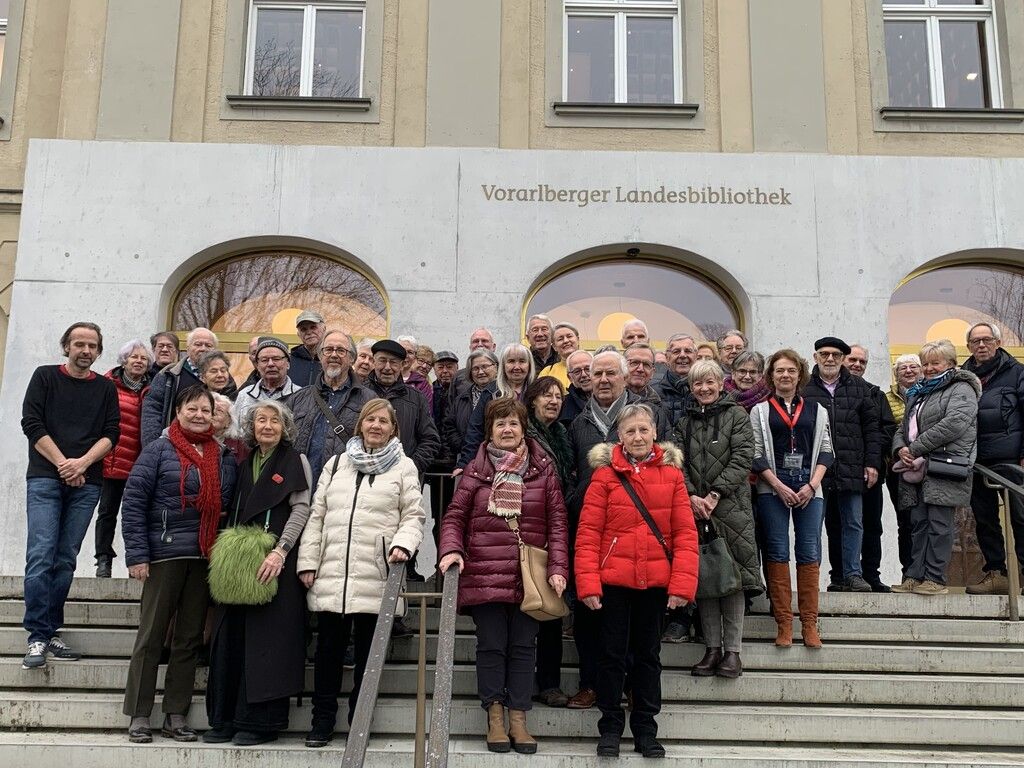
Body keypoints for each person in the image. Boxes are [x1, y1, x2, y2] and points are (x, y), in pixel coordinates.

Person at [439, 398, 568, 754]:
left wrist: (558, 568)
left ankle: (519, 719)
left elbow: (557, 524)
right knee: (493, 647)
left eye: (513, 423)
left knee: (525, 649)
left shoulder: (543, 471)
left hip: (530, 577)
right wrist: (451, 549)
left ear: (523, 428)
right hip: (483, 573)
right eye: (500, 424)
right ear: (489, 430)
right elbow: (454, 518)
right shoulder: (474, 472)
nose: (507, 430)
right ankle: (495, 718)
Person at [298, 399, 425, 747]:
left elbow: (413, 515)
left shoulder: (404, 467)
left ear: (393, 429)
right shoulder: (337, 464)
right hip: (333, 571)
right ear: (361, 424)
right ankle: (322, 721)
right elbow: (316, 514)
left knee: (370, 655)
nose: (376, 426)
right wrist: (308, 561)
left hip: (377, 573)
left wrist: (403, 544)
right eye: (371, 419)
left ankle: (360, 720)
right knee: (328, 654)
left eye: (384, 421)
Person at [575, 403, 698, 758]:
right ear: (620, 436)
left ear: (655, 432)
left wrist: (681, 586)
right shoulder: (604, 476)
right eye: (630, 431)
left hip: (656, 583)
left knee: (648, 657)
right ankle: (610, 727)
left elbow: (685, 535)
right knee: (611, 656)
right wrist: (587, 583)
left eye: (644, 429)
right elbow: (588, 534)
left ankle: (646, 729)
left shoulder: (672, 475)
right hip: (613, 582)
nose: (638, 436)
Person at [120, 385, 237, 743]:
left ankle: (175, 714)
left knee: (188, 639)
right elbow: (134, 502)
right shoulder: (159, 449)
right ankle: (139, 715)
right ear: (179, 411)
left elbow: (229, 507)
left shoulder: (223, 456)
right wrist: (138, 555)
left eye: (206, 410)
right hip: (164, 555)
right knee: (152, 636)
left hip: (204, 558)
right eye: (193, 409)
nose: (199, 415)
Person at [204, 401, 312, 746]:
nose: (267, 426)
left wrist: (281, 550)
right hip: (239, 566)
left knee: (267, 642)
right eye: (260, 420)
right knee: (229, 638)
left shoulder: (296, 461)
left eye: (274, 421)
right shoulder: (243, 461)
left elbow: (301, 508)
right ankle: (223, 718)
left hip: (275, 561)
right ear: (251, 427)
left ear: (285, 427)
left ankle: (260, 723)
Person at [564, 350, 661, 709]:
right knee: (590, 614)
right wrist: (579, 499)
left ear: (624, 377)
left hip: (636, 533)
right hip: (590, 530)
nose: (603, 380)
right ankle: (591, 682)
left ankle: (635, 684)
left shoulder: (644, 416)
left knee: (636, 621)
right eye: (597, 374)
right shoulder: (577, 423)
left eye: (610, 374)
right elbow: (569, 472)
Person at [20, 322, 120, 669]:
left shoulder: (106, 388)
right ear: (66, 347)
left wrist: (82, 464)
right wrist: (65, 464)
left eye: (92, 345)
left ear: (99, 351)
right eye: (79, 344)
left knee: (65, 558)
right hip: (46, 477)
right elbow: (31, 424)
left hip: (87, 481)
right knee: (41, 554)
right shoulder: (45, 377)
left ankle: (50, 630)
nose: (86, 351)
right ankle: (36, 636)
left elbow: (111, 434)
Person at [673, 360, 761, 678]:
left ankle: (732, 653)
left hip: (731, 509)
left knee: (733, 580)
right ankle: (711, 650)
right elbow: (675, 461)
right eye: (698, 384)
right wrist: (691, 496)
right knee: (706, 578)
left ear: (721, 384)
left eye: (709, 382)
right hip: (694, 510)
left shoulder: (737, 415)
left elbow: (743, 457)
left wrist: (714, 494)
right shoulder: (683, 423)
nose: (704, 388)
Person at [751, 350, 833, 649]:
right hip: (772, 490)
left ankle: (809, 624)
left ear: (800, 375)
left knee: (809, 550)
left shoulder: (818, 409)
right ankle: (784, 623)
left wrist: (812, 485)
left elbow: (826, 450)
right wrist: (777, 485)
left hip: (810, 490)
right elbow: (756, 453)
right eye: (779, 371)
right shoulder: (759, 411)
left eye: (791, 371)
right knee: (777, 550)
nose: (785, 375)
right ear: (771, 376)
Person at [891, 340, 981, 596]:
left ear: (951, 364)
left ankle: (936, 579)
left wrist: (915, 448)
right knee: (918, 523)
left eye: (935, 363)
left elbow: (955, 423)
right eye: (926, 363)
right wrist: (900, 449)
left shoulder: (961, 388)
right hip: (917, 467)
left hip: (944, 465)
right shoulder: (919, 392)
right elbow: (902, 428)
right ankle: (914, 575)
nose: (929, 368)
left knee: (940, 524)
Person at [801, 336, 882, 593]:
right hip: (815, 471)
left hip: (851, 466)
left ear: (842, 359)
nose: (830, 359)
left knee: (853, 523)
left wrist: (872, 463)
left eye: (836, 355)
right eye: (824, 354)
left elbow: (872, 429)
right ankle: (816, 576)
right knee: (816, 526)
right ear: (815, 357)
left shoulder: (860, 388)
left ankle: (852, 574)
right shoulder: (804, 388)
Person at [523, 376, 574, 708]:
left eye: (558, 396)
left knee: (552, 609)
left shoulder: (562, 435)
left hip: (558, 526)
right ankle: (526, 682)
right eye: (547, 396)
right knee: (529, 610)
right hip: (529, 530)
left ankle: (550, 683)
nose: (554, 401)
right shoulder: (524, 437)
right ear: (533, 401)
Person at [962, 323, 1024, 595]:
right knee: (984, 519)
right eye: (975, 341)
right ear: (968, 347)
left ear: (998, 343)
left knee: (1021, 518)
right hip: (976, 461)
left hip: (1011, 460)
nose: (981, 345)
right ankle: (996, 573)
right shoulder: (962, 377)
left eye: (987, 340)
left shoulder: (1017, 373)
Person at [95, 340, 154, 578]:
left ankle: (136, 563)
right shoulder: (108, 385)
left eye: (143, 358)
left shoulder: (152, 388)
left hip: (141, 463)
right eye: (134, 357)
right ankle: (103, 560)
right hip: (113, 459)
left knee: (137, 516)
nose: (139, 361)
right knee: (107, 512)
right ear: (124, 360)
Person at [845, 344, 898, 592]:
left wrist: (872, 461)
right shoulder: (828, 391)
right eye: (852, 359)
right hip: (840, 471)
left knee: (872, 525)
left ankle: (871, 575)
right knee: (841, 525)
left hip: (871, 473)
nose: (857, 365)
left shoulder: (875, 394)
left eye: (862, 362)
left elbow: (886, 430)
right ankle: (842, 575)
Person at [289, 330, 373, 484]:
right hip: (300, 489)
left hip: (343, 491)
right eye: (328, 349)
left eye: (341, 350)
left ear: (351, 358)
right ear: (320, 357)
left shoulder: (369, 400)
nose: (334, 355)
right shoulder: (299, 398)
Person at [456, 343, 536, 469]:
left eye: (522, 361)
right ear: (503, 366)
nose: (516, 367)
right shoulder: (490, 392)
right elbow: (475, 430)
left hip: (533, 460)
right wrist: (465, 463)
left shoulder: (537, 391)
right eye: (511, 361)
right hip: (495, 462)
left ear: (529, 365)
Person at [142, 327, 217, 445]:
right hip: (171, 446)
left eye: (208, 345)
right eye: (198, 344)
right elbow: (152, 412)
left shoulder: (225, 379)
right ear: (187, 348)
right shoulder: (168, 374)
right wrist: (153, 446)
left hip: (208, 448)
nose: (203, 348)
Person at [885, 354, 923, 577]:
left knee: (925, 519)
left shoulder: (930, 393)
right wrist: (898, 450)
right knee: (905, 520)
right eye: (902, 368)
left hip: (926, 466)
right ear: (896, 373)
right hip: (898, 467)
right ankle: (908, 571)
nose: (908, 371)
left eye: (913, 367)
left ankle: (927, 571)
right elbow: (886, 429)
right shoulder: (885, 398)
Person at [444, 349, 498, 462]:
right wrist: (463, 445)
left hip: (499, 457)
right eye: (475, 368)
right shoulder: (461, 399)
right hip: (466, 457)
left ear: (496, 367)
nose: (480, 372)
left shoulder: (504, 394)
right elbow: (450, 426)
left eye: (485, 367)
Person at [232, 337, 302, 425]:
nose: (270, 364)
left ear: (288, 364)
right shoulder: (244, 395)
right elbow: (235, 432)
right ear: (257, 365)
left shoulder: (301, 396)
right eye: (264, 360)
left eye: (276, 359)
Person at [657, 333, 698, 426]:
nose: (682, 355)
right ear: (667, 357)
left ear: (696, 356)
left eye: (688, 351)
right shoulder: (654, 392)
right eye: (676, 351)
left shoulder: (706, 391)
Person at [538, 322, 580, 388]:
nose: (566, 341)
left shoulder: (592, 366)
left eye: (569, 336)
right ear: (554, 347)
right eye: (560, 339)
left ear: (578, 340)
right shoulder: (548, 372)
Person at [397, 335, 434, 410]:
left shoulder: (424, 385)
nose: (424, 366)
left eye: (410, 352)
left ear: (414, 357)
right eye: (421, 361)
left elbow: (427, 413)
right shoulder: (386, 376)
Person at [291, 310, 326, 387]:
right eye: (303, 329)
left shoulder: (332, 358)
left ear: (324, 329)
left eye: (313, 327)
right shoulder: (288, 361)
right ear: (298, 334)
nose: (309, 332)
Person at [559, 349, 593, 428]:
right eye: (577, 371)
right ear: (570, 377)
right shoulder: (563, 405)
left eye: (588, 369)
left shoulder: (609, 398)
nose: (583, 375)